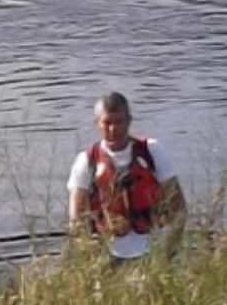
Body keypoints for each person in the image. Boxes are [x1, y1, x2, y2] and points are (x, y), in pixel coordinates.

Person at [64, 90, 170, 244]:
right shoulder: (86, 161)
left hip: (154, 249)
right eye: (107, 123)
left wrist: (170, 251)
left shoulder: (152, 151)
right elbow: (75, 219)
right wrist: (86, 248)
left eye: (119, 121)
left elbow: (178, 206)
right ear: (97, 124)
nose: (113, 129)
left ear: (129, 121)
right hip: (106, 251)